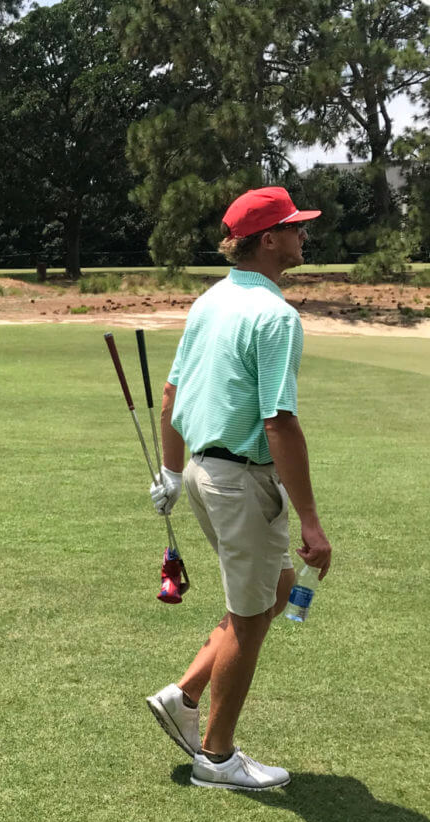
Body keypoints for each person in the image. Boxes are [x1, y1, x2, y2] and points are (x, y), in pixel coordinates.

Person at [145, 187, 333, 790]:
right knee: (249, 620)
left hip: (206, 473)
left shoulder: (211, 301)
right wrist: (311, 522)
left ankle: (184, 693)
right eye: (295, 227)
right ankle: (216, 758)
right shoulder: (275, 316)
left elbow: (172, 393)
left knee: (274, 589)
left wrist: (173, 471)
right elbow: (279, 422)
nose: (303, 236)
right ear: (269, 240)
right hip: (241, 481)